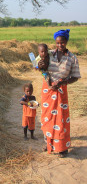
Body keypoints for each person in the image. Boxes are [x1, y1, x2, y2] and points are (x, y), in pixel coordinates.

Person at [39, 29, 81, 157]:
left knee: (61, 119)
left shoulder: (72, 58)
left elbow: (75, 77)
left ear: (66, 42)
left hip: (61, 91)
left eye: (62, 43)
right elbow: (39, 66)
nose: (59, 45)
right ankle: (49, 144)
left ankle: (62, 148)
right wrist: (40, 65)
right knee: (47, 118)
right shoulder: (49, 54)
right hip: (48, 90)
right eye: (57, 43)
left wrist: (62, 83)